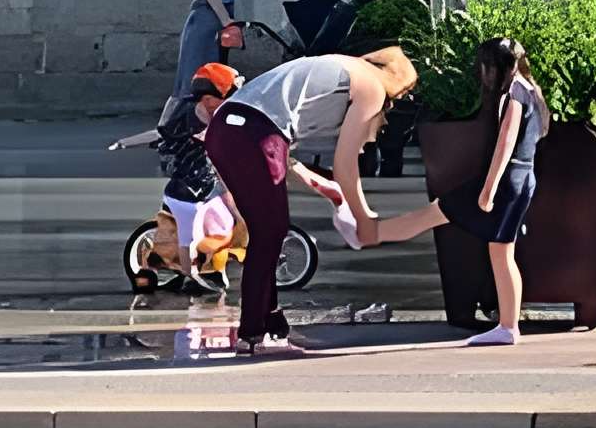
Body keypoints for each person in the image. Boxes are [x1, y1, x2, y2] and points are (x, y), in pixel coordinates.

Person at [203, 47, 414, 354]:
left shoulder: (334, 66)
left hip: (224, 130)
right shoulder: (371, 87)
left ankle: (271, 324)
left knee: (266, 234)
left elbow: (280, 145)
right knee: (270, 234)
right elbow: (345, 164)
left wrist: (327, 189)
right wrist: (364, 216)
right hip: (253, 132)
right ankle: (253, 332)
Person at [356, 36, 548, 345]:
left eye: (485, 67)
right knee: (500, 251)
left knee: (435, 213)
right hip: (524, 178)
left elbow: (506, 142)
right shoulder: (531, 91)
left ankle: (368, 233)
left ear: (496, 67)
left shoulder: (512, 94)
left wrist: (488, 190)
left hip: (505, 180)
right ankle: (508, 327)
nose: (482, 74)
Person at [144, 61, 241, 289]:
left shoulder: (213, 114)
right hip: (188, 192)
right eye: (227, 98)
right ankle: (189, 274)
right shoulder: (192, 123)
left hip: (206, 185)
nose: (231, 103)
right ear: (208, 100)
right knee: (190, 235)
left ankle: (211, 268)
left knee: (225, 222)